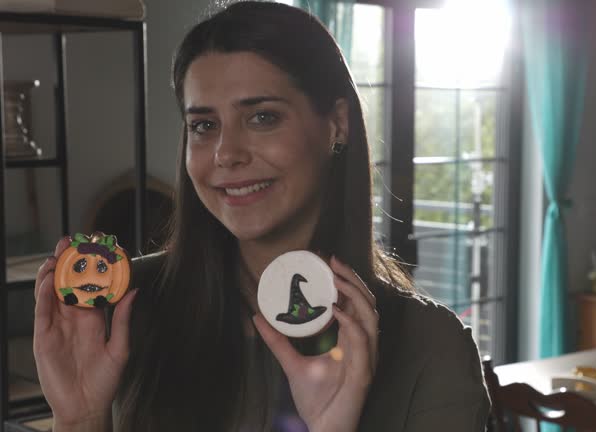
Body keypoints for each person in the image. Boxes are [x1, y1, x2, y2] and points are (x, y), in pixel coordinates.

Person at [33, 2, 490, 431]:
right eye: (204, 125)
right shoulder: (121, 308)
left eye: (263, 117)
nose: (226, 154)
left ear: (337, 125)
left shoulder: (432, 348)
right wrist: (78, 420)